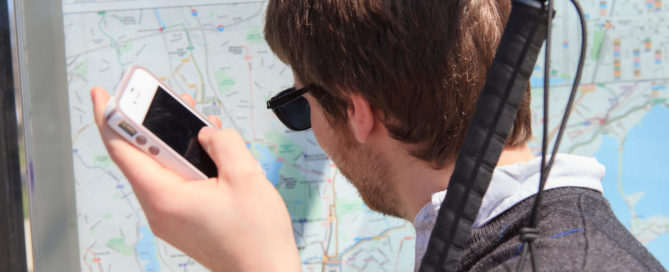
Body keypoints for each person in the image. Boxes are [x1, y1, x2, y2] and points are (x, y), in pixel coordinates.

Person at [91, 0, 666, 271]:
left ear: (360, 112)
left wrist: (258, 266)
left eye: (302, 104)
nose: (310, 128)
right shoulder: (554, 239)